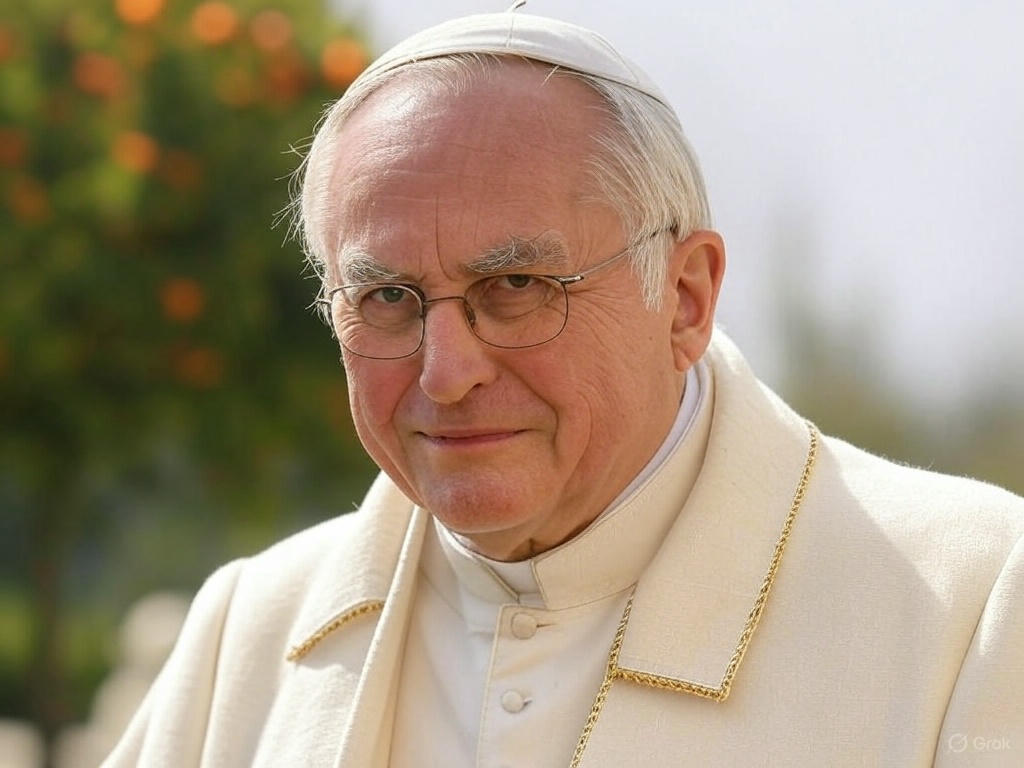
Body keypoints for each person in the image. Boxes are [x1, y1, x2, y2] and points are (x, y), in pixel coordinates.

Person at [104, 11, 1024, 768]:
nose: (446, 373)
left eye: (516, 286)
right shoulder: (247, 634)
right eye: (387, 298)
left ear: (686, 297)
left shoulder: (974, 606)